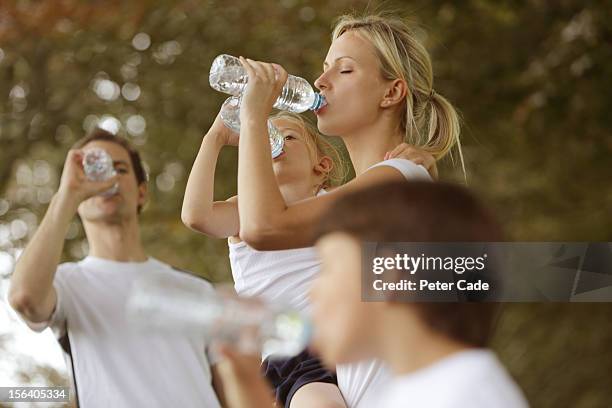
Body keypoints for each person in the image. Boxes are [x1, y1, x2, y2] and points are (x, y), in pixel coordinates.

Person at [232, 12, 461, 407]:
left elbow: (264, 228)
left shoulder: (398, 178)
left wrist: (253, 116)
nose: (321, 82)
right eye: (324, 69)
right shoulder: (392, 182)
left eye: (345, 70)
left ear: (391, 93)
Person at [8, 129, 225, 408]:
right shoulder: (65, 284)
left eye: (119, 169)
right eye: (92, 169)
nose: (106, 178)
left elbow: (234, 388)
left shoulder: (198, 289)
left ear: (141, 192)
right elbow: (24, 297)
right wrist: (67, 195)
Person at [309, 181, 529, 407]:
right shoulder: (422, 391)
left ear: (387, 278)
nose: (311, 292)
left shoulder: (464, 393)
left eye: (327, 267)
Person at [183, 110, 348, 407]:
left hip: (333, 349)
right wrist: (215, 137)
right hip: (283, 357)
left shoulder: (333, 202)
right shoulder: (244, 211)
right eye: (265, 139)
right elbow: (197, 216)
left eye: (289, 137)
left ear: (321, 165)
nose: (275, 143)